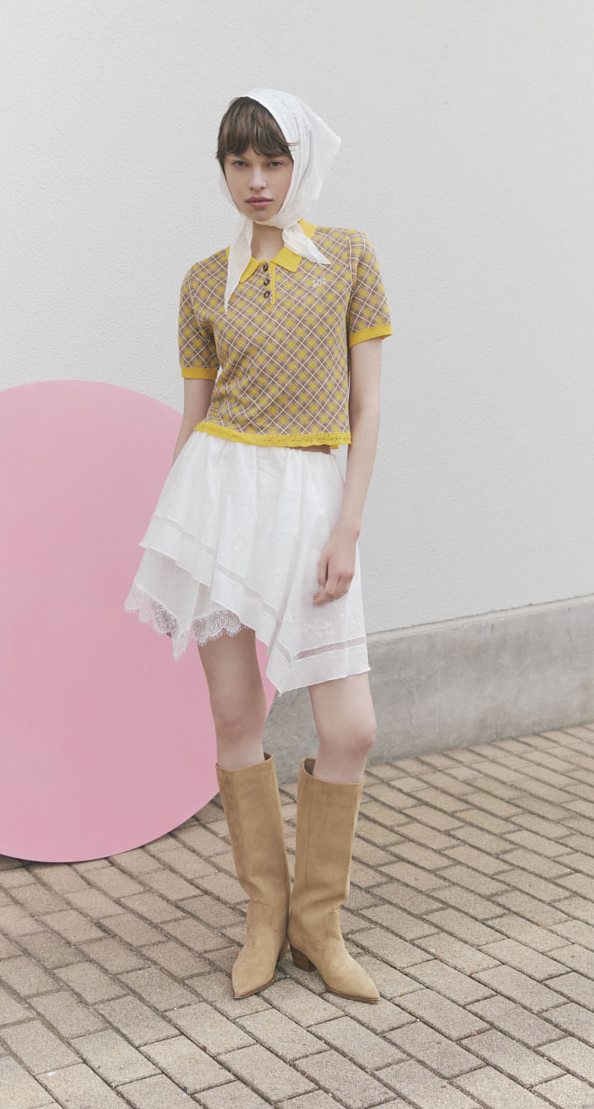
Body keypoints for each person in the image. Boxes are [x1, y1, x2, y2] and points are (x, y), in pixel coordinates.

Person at [125, 88, 392, 1004]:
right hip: (217, 496)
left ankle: (320, 924)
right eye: (238, 163)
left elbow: (366, 408)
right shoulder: (204, 281)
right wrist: (176, 528)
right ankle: (265, 917)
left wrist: (346, 526)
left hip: (312, 502)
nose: (255, 181)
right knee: (236, 716)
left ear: (300, 163)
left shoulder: (349, 258)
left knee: (349, 727)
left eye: (272, 161)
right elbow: (194, 417)